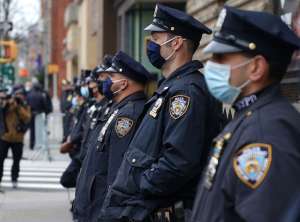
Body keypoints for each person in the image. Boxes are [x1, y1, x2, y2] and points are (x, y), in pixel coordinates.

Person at [102, 4, 223, 222]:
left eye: (156, 39)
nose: (150, 45)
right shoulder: (169, 88)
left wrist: (139, 186)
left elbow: (178, 162)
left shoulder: (185, 93)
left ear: (176, 43)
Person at [191, 6, 300, 222]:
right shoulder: (249, 116)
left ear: (256, 67)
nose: (211, 65)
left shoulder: (266, 132)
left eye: (221, 58)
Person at [74, 51, 150, 222]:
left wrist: (109, 214)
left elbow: (117, 173)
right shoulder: (119, 109)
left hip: (102, 211)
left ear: (123, 84)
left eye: (111, 76)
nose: (106, 81)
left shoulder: (128, 116)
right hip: (93, 207)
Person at [0, 85, 31, 189]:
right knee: (1, 159)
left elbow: (27, 118)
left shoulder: (24, 105)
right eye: (17, 94)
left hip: (18, 138)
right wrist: (8, 103)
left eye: (21, 94)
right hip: (5, 137)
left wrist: (18, 106)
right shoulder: (7, 103)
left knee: (16, 161)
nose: (19, 96)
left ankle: (14, 179)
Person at [26, 82, 52, 150]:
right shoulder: (41, 95)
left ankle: (31, 145)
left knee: (32, 131)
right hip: (39, 114)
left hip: (31, 114)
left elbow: (27, 104)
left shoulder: (29, 95)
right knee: (39, 130)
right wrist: (46, 112)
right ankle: (39, 144)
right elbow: (44, 105)